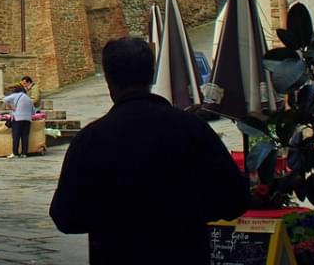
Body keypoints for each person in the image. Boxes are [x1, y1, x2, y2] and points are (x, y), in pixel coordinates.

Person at [50, 37, 248, 264]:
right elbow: (235, 199)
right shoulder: (193, 129)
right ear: (151, 74)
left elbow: (65, 216)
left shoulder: (90, 140)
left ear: (109, 81)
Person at [3, 83, 34, 158]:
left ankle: (15, 153)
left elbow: (4, 99)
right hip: (27, 119)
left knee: (16, 136)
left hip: (17, 118)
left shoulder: (15, 95)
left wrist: (10, 107)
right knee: (25, 136)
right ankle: (24, 153)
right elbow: (33, 111)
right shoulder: (28, 98)